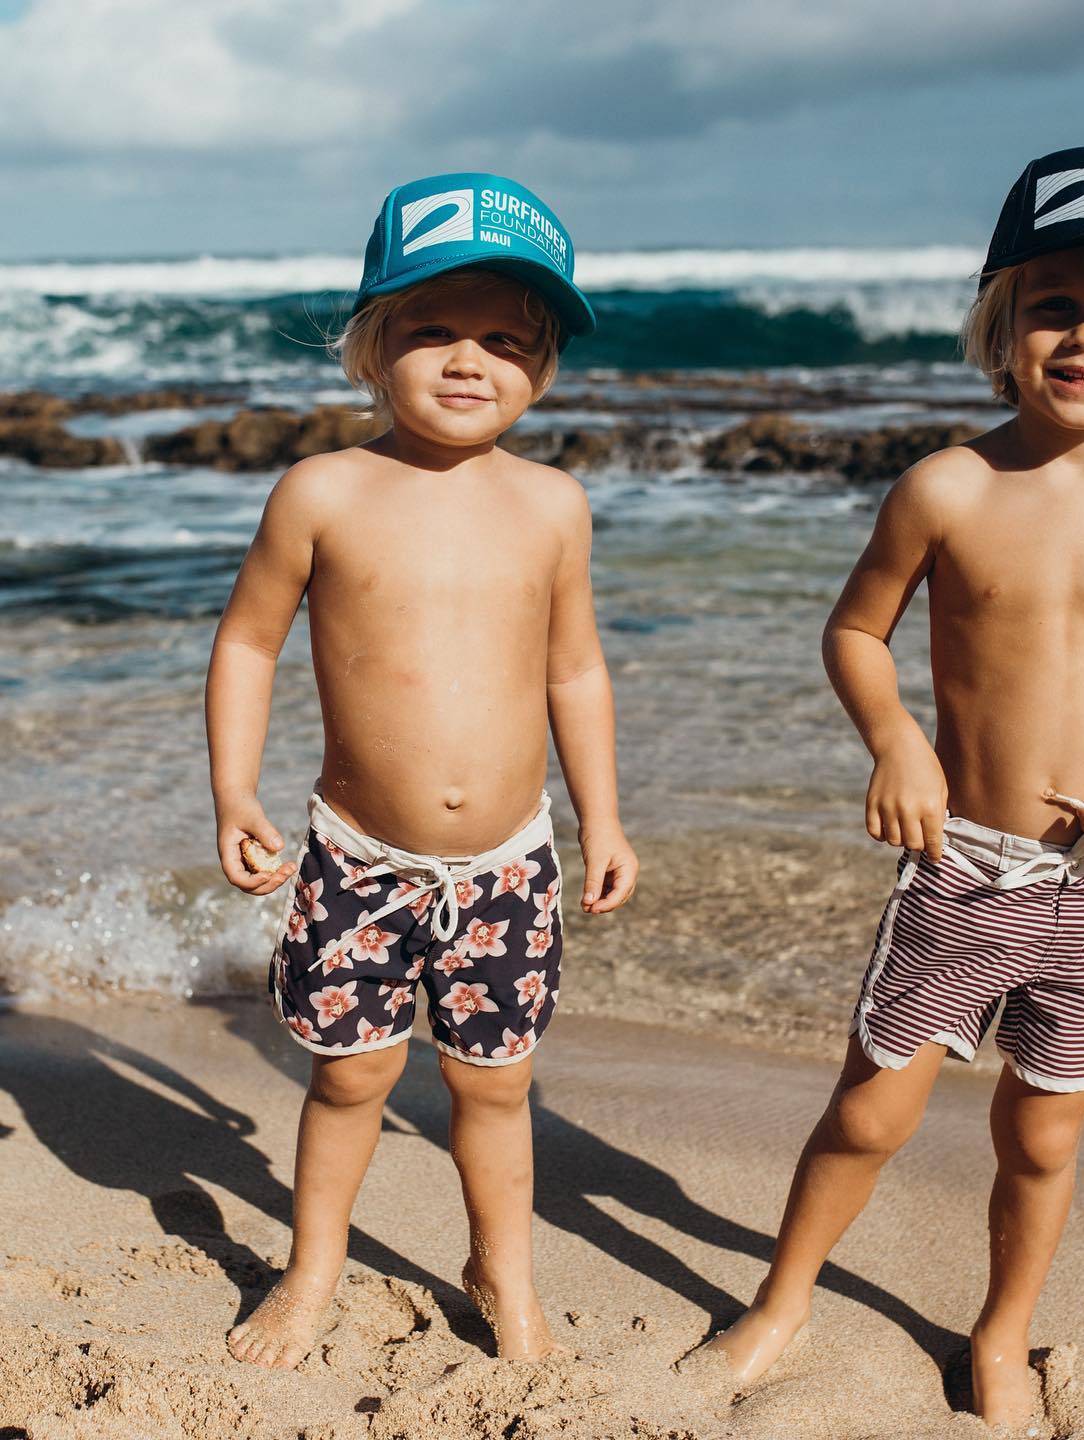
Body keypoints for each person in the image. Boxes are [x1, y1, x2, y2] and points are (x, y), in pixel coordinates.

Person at [699, 145, 1084, 1428]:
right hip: (964, 866)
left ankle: (1003, 1332)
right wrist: (898, 742)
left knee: (1046, 1135)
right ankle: (785, 1298)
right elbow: (856, 632)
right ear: (1003, 323)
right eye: (1056, 304)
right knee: (872, 1111)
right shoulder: (949, 487)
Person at [206, 171, 637, 1370]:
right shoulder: (326, 491)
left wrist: (603, 817)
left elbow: (576, 674)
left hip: (507, 863)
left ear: (541, 367)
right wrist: (235, 792)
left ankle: (504, 1272)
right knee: (352, 1082)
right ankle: (314, 1269)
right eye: (433, 329)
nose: (469, 361)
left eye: (505, 340)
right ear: (371, 345)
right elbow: (246, 642)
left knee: (495, 1089)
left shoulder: (554, 506)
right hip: (359, 855)